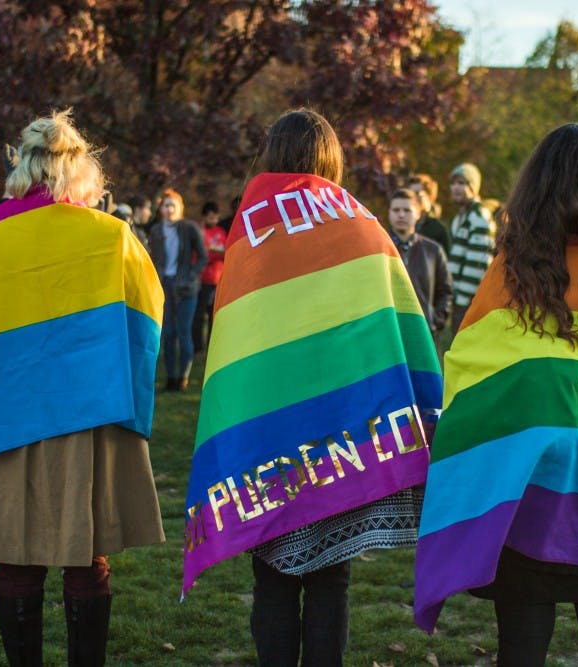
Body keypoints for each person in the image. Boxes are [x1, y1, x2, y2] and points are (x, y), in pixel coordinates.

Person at [182, 109, 443, 667]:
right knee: (331, 580)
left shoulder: (252, 227)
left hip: (269, 433)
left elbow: (236, 334)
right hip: (343, 435)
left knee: (273, 578)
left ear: (273, 155)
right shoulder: (362, 224)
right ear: (331, 158)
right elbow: (397, 321)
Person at [414, 124, 578, 667]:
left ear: (537, 187)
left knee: (523, 635)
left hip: (524, 470)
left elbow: (468, 370)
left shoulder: (514, 270)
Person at [0, 110, 165, 667]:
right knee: (85, 554)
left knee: (14, 557)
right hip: (89, 410)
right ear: (80, 172)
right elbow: (147, 320)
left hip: (5, 409)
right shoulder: (111, 235)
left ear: (22, 166)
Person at [148, 188, 206, 390]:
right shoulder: (156, 231)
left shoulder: (189, 228)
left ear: (180, 207)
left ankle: (183, 377)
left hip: (186, 288)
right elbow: (153, 259)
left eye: (173, 205)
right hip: (165, 286)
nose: (170, 208)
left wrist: (191, 275)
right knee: (168, 333)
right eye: (166, 205)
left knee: (184, 332)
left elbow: (202, 256)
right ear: (161, 208)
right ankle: (170, 377)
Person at [387, 188, 453, 345]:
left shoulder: (433, 250)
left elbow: (446, 291)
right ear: (389, 213)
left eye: (407, 210)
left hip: (425, 335)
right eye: (396, 210)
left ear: (418, 214)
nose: (401, 215)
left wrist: (435, 322)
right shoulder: (377, 249)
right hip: (390, 334)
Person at [446, 162, 495, 329]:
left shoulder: (478, 216)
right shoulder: (461, 217)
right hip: (458, 300)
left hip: (467, 303)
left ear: (473, 187)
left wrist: (462, 302)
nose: (456, 188)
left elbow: (478, 263)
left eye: (462, 183)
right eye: (453, 183)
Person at [191, 200, 226, 352]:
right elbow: (200, 255)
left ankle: (214, 348)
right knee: (199, 315)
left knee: (215, 316)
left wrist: (215, 253)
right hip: (202, 279)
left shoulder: (221, 232)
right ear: (204, 217)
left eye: (215, 217)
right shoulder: (200, 232)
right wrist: (213, 254)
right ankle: (198, 347)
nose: (213, 220)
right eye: (210, 217)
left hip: (218, 280)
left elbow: (226, 252)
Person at [405, 173, 451, 255]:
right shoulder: (403, 224)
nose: (413, 199)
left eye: (417, 194)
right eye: (410, 195)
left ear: (429, 196)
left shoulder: (438, 228)